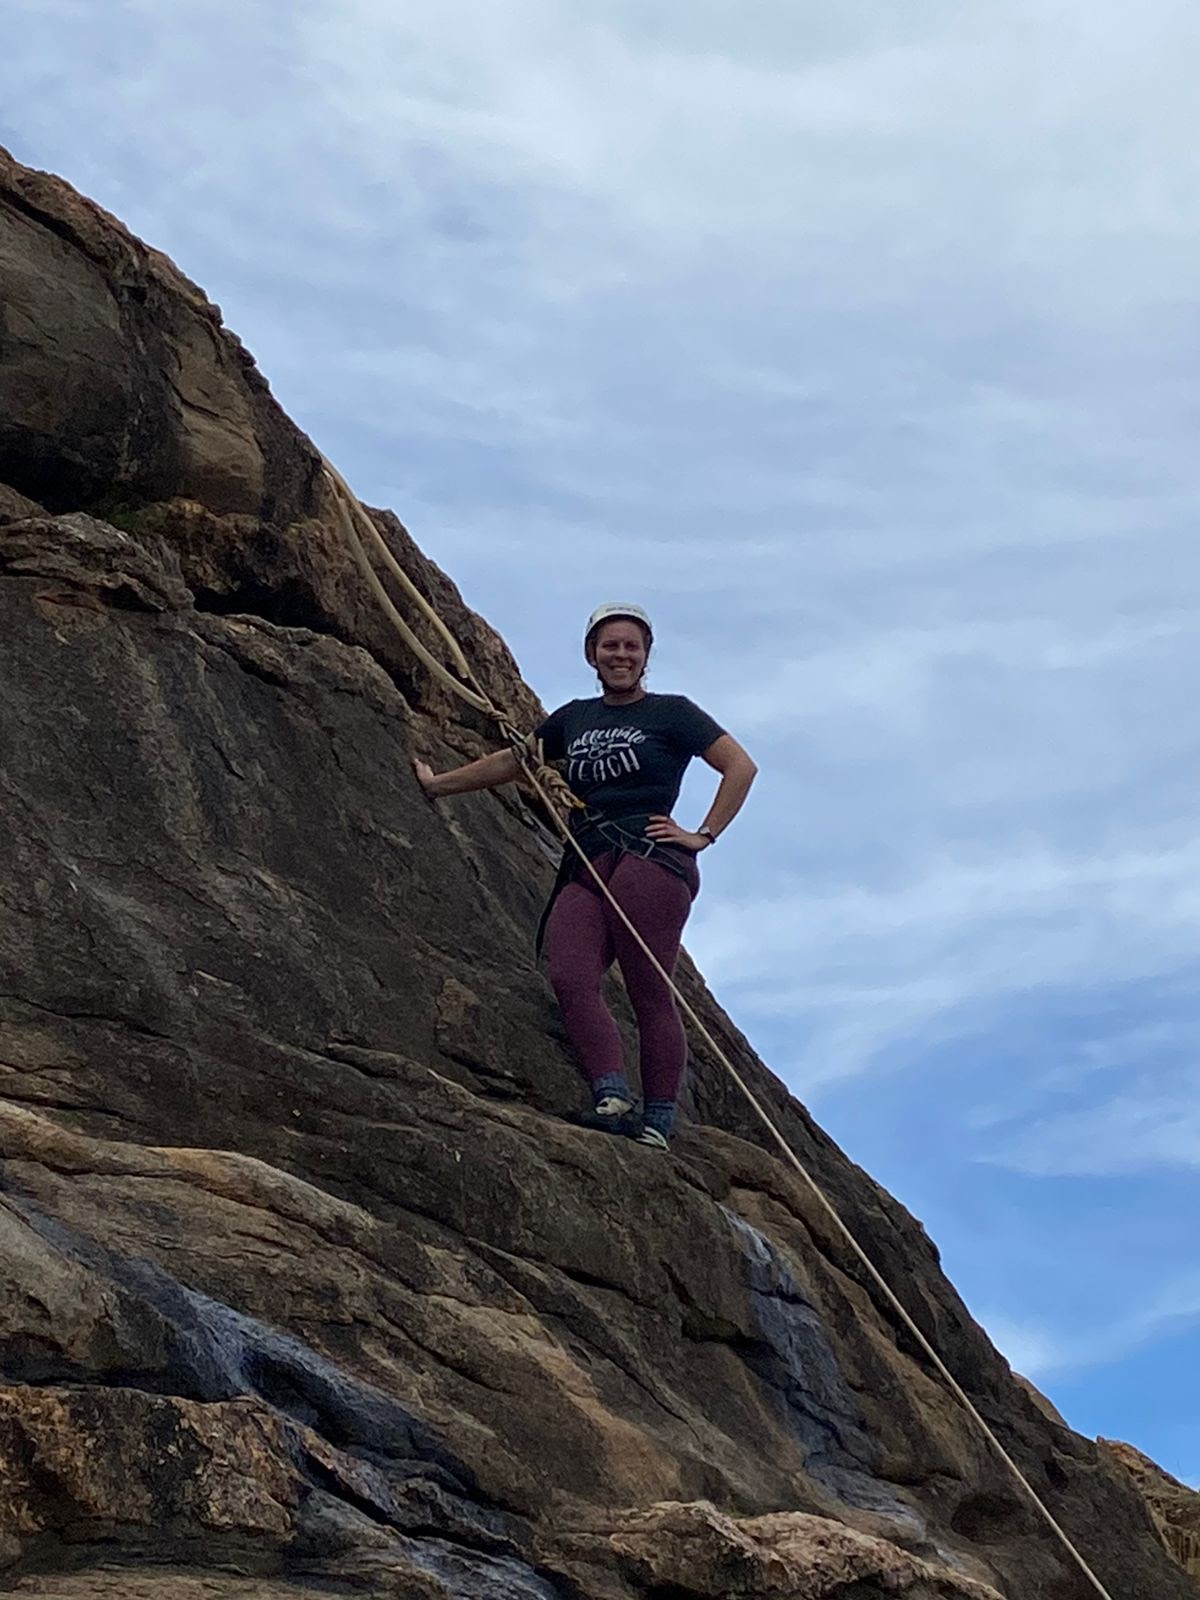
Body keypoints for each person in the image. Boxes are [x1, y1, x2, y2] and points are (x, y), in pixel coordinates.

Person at [414, 603, 757, 1150]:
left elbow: (740, 765)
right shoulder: (573, 719)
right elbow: (514, 761)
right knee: (570, 975)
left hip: (648, 856)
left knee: (648, 986)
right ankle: (611, 1095)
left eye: (631, 647)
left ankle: (659, 1118)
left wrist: (703, 834)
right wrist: (439, 785)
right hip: (587, 858)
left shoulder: (672, 713)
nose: (621, 655)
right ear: (592, 655)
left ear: (645, 656)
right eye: (609, 646)